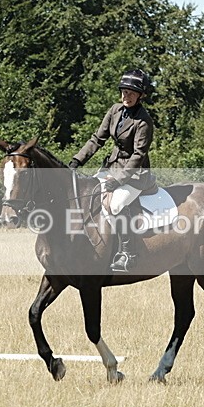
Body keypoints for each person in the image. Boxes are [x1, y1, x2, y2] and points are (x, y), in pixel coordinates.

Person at [69, 69, 155, 272]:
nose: (126, 96)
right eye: (124, 91)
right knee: (89, 194)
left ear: (141, 95)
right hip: (112, 168)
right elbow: (97, 139)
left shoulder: (144, 121)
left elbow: (138, 155)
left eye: (131, 93)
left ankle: (128, 253)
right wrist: (76, 160)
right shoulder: (115, 110)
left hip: (135, 174)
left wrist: (119, 180)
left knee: (116, 205)